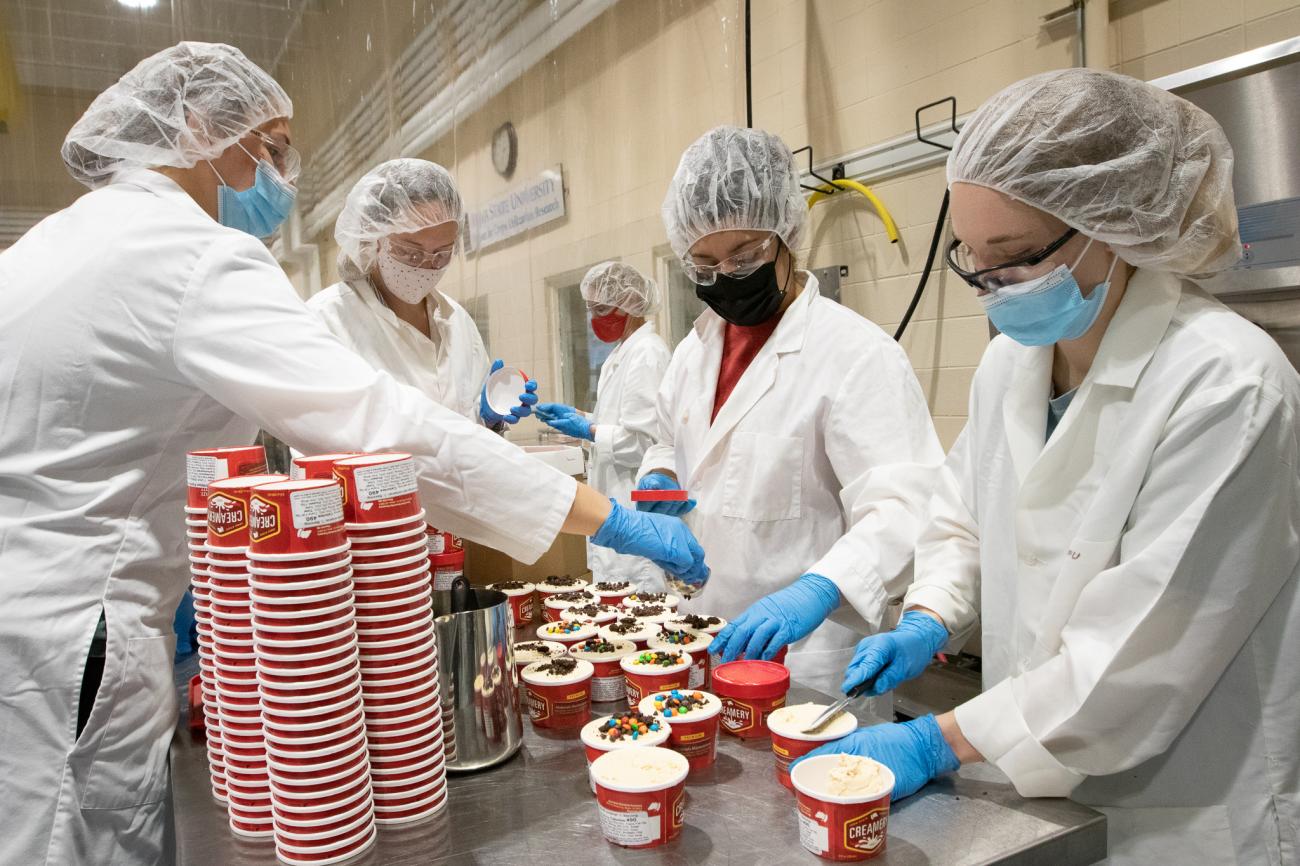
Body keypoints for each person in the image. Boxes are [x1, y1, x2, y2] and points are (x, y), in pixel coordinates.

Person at [0, 42, 705, 865]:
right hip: (78, 631)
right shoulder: (189, 255)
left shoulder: (57, 242)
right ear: (197, 129)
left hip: (40, 615)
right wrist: (606, 519)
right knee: (73, 842)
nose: (281, 172)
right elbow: (381, 431)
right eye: (271, 145)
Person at [800, 69, 1300, 866]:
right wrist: (932, 613)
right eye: (974, 262)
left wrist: (941, 740)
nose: (995, 287)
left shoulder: (1227, 386)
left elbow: (1137, 662)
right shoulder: (1013, 365)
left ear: (1116, 224)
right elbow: (962, 516)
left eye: (1018, 257)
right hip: (1034, 790)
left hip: (1184, 805)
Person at [641, 125, 944, 695]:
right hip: (698, 637)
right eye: (704, 264)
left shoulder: (857, 355)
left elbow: (905, 505)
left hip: (807, 659)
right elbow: (667, 443)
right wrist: (658, 484)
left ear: (788, 232)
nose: (727, 278)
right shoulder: (692, 351)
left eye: (744, 254)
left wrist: (823, 587)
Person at [310, 158, 536, 430]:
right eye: (410, 252)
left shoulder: (457, 322)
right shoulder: (327, 321)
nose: (426, 266)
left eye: (441, 254)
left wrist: (488, 418)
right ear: (373, 239)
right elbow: (318, 441)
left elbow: (467, 433)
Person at [536, 262, 674, 592]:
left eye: (601, 308)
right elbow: (617, 424)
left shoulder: (647, 353)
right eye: (591, 309)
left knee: (637, 615)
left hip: (634, 509)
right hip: (613, 509)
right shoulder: (621, 354)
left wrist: (589, 430)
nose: (594, 319)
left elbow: (648, 444)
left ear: (629, 302)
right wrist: (582, 419)